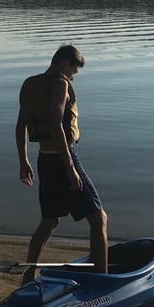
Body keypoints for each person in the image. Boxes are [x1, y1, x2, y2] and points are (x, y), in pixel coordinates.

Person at [16, 45, 107, 284]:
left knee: (50, 220)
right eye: (74, 70)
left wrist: (23, 160)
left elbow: (21, 125)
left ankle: (28, 276)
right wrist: (70, 168)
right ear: (65, 63)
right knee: (99, 219)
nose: (74, 76)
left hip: (44, 159)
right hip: (62, 158)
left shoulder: (30, 84)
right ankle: (104, 281)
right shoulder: (60, 83)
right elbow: (56, 124)